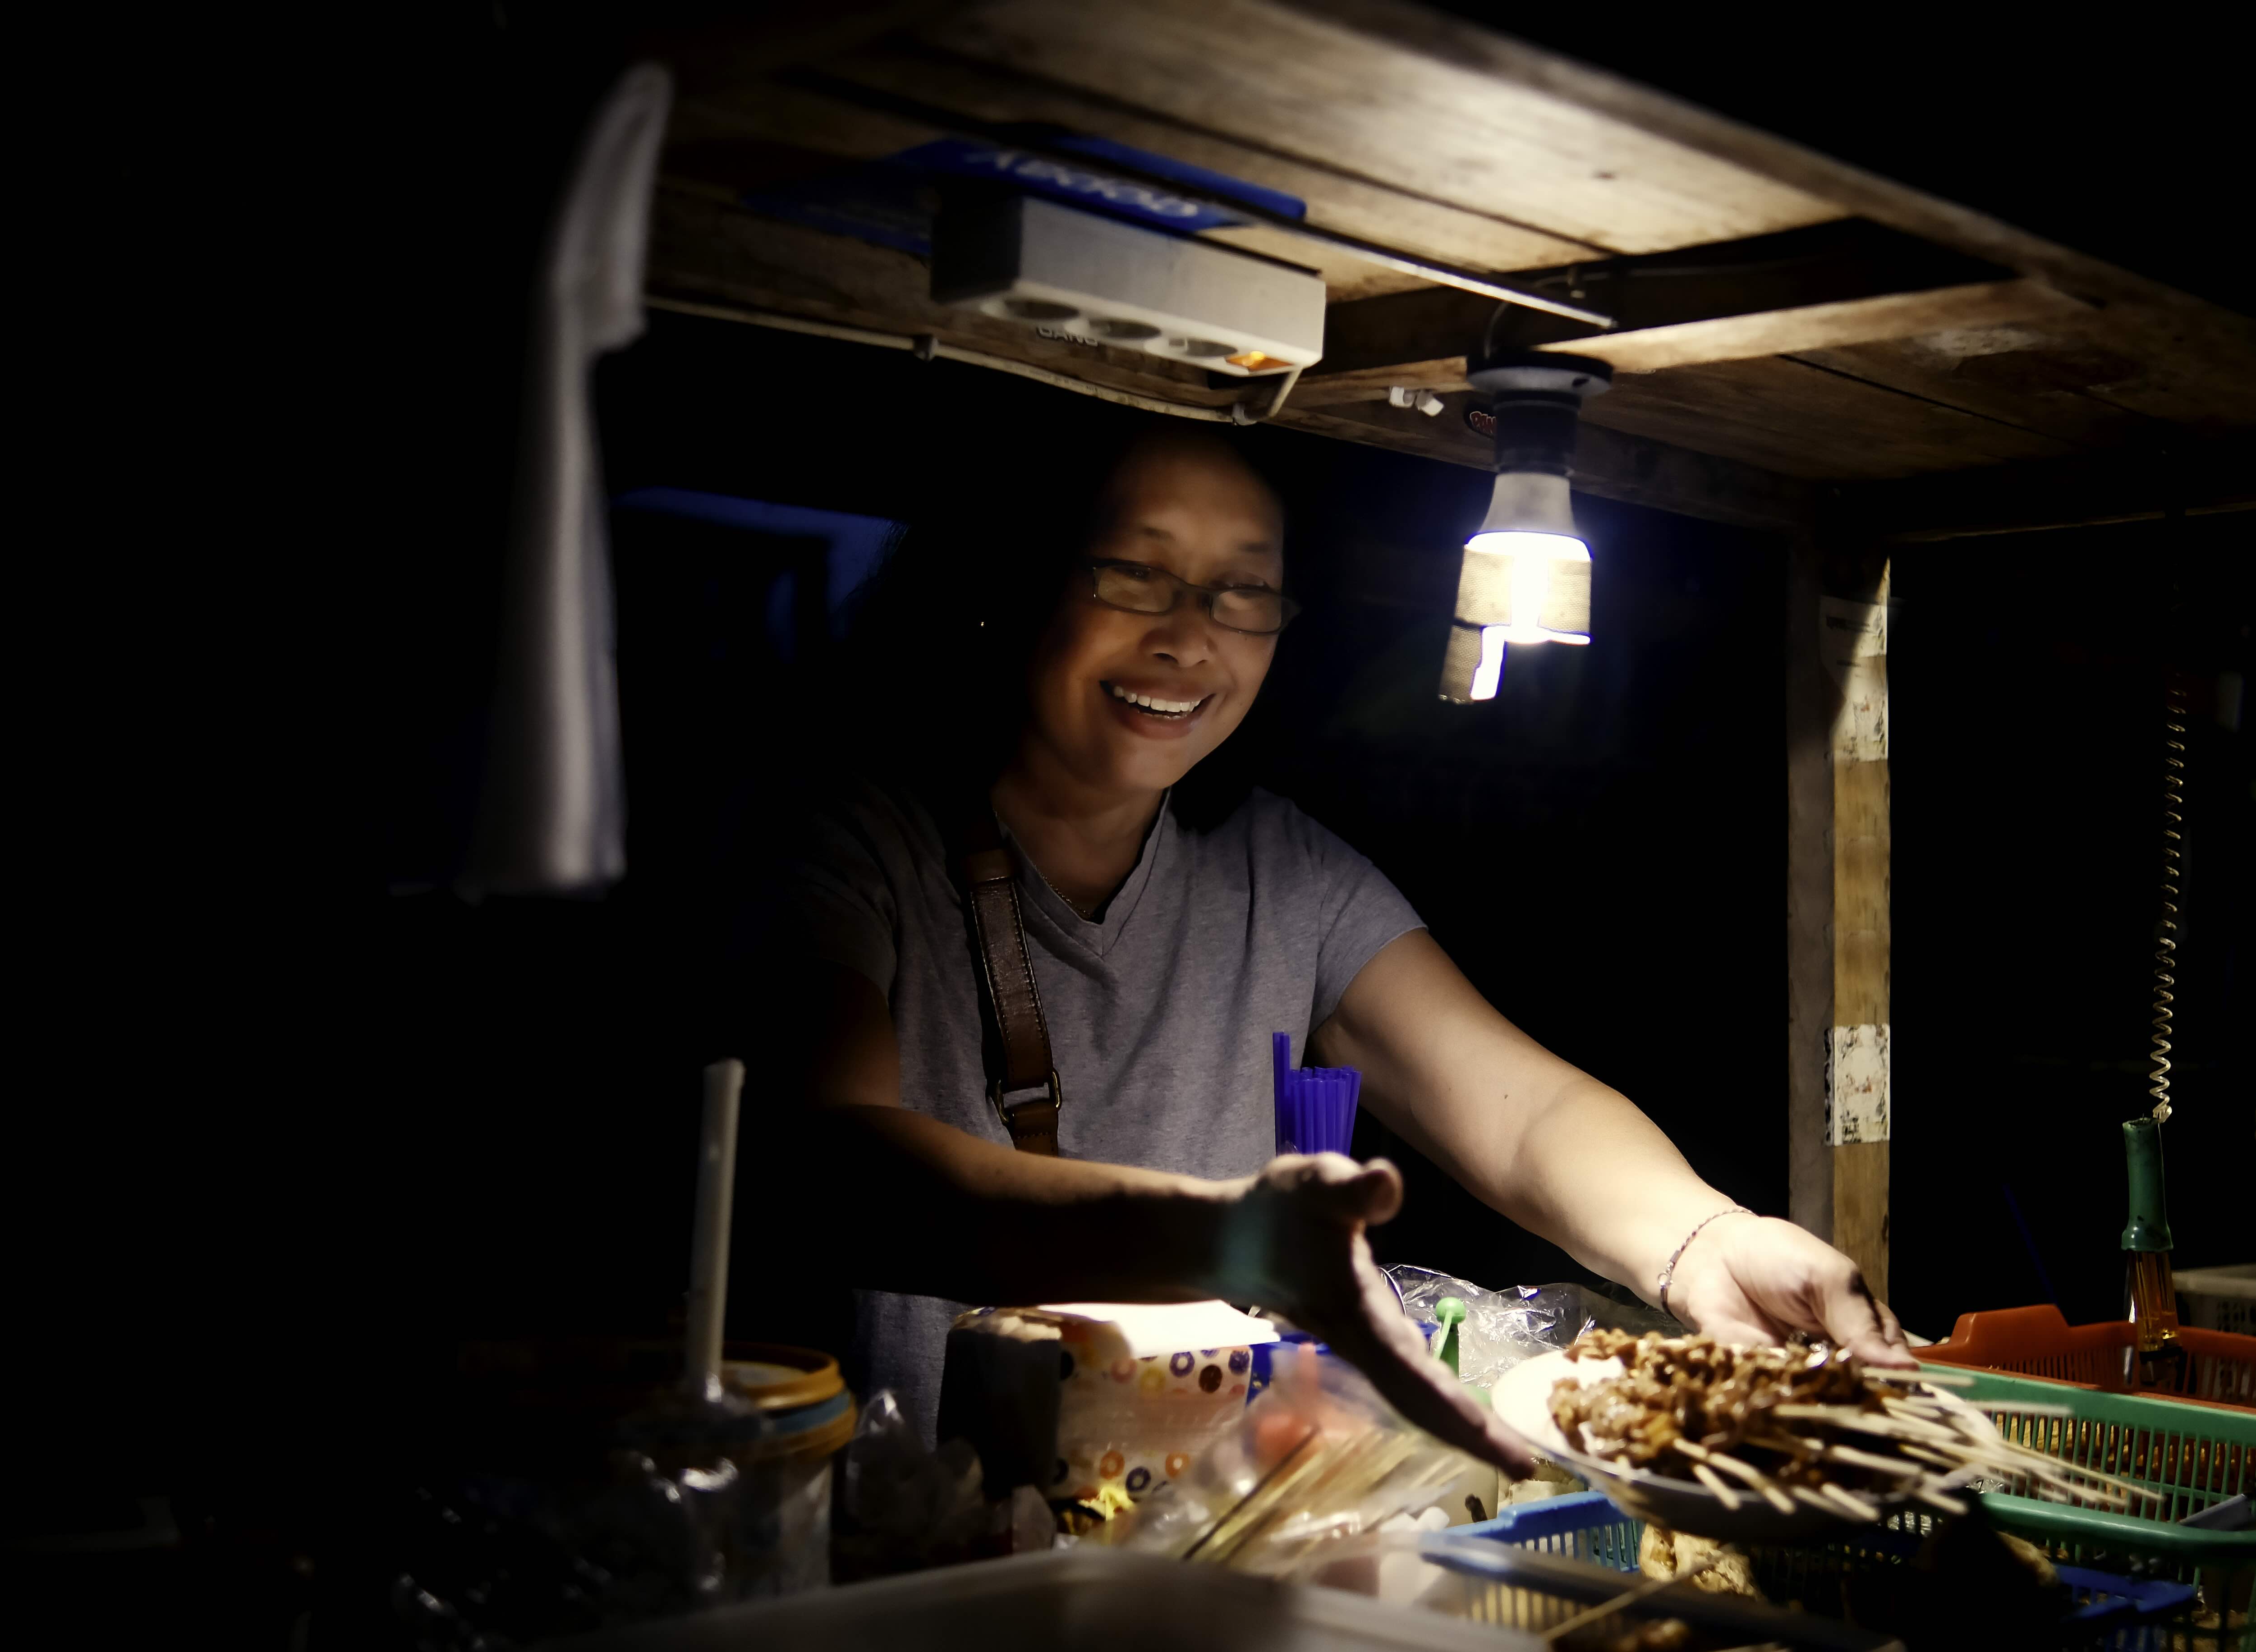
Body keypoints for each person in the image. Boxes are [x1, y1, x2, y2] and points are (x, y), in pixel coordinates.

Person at [773, 424, 1904, 1473]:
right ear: (1015, 580)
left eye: (1244, 589)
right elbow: (840, 1173)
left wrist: (1704, 1241)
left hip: (1197, 1546)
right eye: (1132, 570)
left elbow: (1522, 1108)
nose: (1187, 635)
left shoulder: (1286, 872)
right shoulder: (854, 844)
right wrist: (1230, 1239)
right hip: (910, 1545)